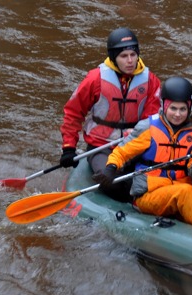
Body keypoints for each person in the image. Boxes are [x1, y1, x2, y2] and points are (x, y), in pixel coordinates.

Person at [93, 76, 192, 234]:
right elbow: (122, 152)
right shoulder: (148, 128)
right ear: (164, 106)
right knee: (185, 192)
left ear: (189, 109)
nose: (177, 114)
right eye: (173, 108)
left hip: (176, 192)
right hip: (149, 194)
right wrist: (111, 168)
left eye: (182, 109)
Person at [59, 27, 162, 202]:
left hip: (135, 145)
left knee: (154, 179)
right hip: (102, 146)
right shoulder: (94, 79)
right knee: (112, 182)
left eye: (133, 55)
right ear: (114, 57)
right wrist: (69, 147)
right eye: (124, 56)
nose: (130, 61)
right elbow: (73, 113)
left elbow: (153, 119)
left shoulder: (151, 81)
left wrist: (137, 135)